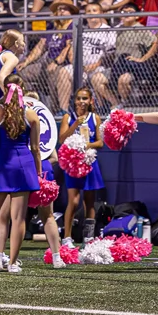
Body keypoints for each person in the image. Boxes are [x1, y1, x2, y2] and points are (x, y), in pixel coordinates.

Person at [0, 78, 42, 272]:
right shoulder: (31, 115)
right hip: (24, 166)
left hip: (2, 165)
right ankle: (12, 263)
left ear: (4, 89)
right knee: (18, 218)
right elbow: (36, 149)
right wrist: (38, 173)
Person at [58, 87, 105, 242]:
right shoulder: (68, 117)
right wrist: (74, 125)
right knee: (74, 200)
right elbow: (62, 139)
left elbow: (100, 142)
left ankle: (88, 238)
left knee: (89, 202)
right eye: (78, 98)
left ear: (90, 100)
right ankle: (67, 238)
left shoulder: (95, 118)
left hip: (89, 162)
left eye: (85, 98)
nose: (81, 102)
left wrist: (86, 146)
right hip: (72, 165)